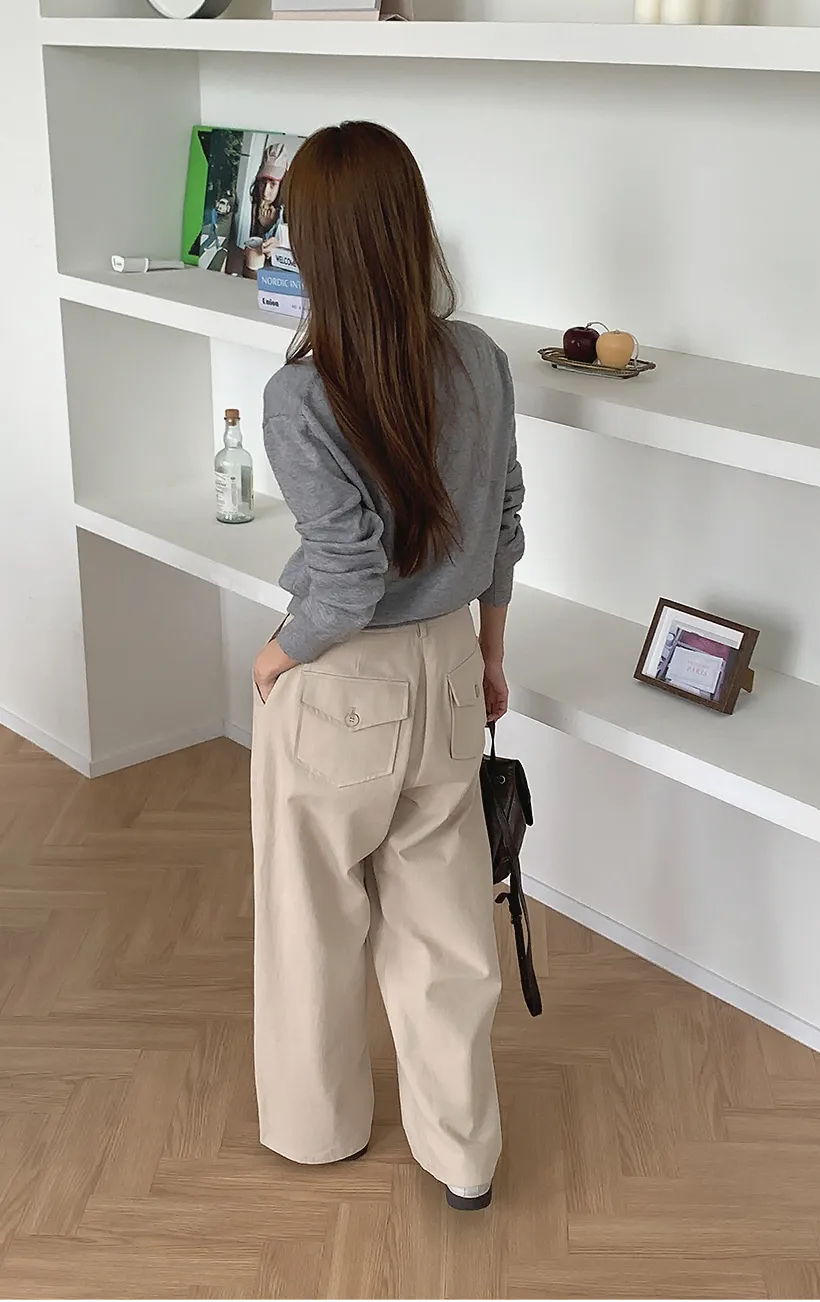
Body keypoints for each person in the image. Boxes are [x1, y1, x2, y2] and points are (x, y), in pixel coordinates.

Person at [250, 121, 524, 1212]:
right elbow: (502, 521)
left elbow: (346, 577)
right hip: (451, 667)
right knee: (446, 930)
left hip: (340, 683)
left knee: (310, 921)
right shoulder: (481, 361)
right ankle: (464, 1159)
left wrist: (279, 655)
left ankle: (317, 1131)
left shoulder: (301, 396)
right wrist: (489, 652)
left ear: (317, 246)